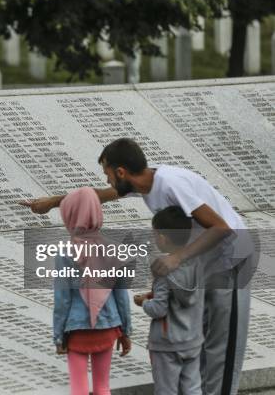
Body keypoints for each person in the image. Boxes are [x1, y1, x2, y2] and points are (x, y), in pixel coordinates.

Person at [21, 138, 253, 395]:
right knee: (199, 338)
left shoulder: (170, 183)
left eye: (107, 173)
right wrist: (53, 202)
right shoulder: (145, 181)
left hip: (231, 260)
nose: (107, 180)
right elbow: (99, 196)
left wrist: (177, 258)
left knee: (221, 345)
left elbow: (222, 227)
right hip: (203, 261)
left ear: (121, 172)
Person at [53, 187, 132, 395]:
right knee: (103, 387)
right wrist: (126, 331)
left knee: (78, 388)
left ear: (69, 216)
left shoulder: (64, 254)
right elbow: (121, 295)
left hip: (76, 330)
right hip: (107, 327)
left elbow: (62, 300)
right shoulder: (113, 250)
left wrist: (58, 336)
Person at [134, 206, 204, 395]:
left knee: (166, 389)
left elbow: (159, 310)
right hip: (193, 338)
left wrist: (144, 302)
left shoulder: (163, 272)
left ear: (163, 238)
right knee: (192, 387)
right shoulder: (197, 264)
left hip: (168, 343)